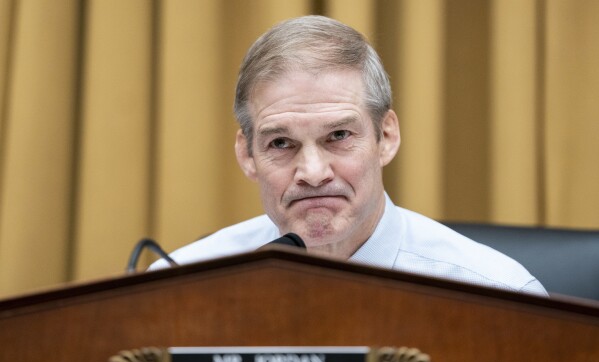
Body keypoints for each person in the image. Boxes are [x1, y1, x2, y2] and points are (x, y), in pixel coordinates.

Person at [150, 15, 547, 296]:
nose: (312, 172)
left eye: (338, 135)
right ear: (247, 155)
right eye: (281, 144)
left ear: (385, 137)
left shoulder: (495, 294)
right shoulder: (181, 287)